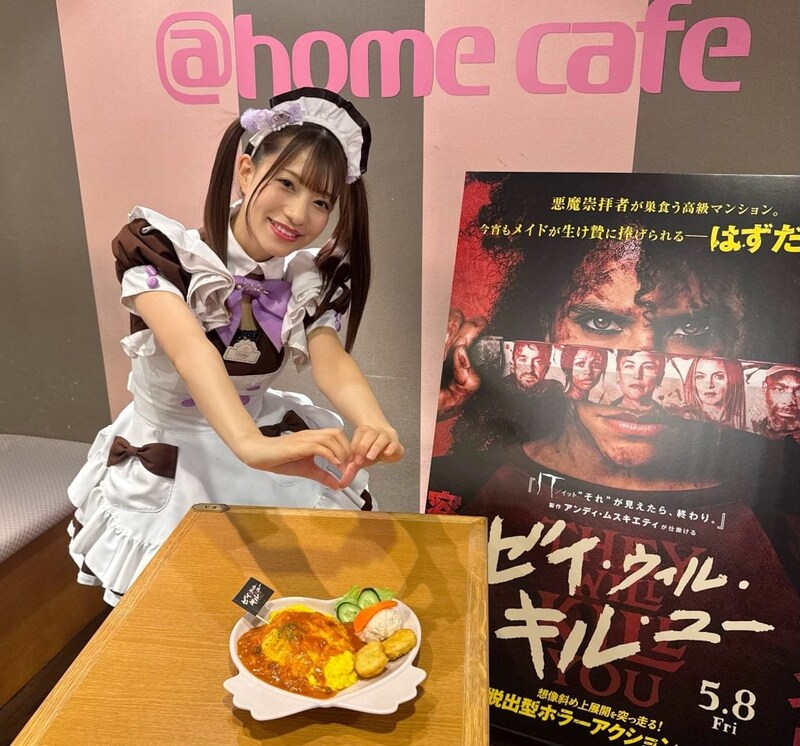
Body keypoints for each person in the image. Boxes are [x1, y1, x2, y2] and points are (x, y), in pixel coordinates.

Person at [68, 88, 403, 606]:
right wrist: (250, 446)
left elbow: (329, 356)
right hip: (176, 456)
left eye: (321, 202)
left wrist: (373, 423)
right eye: (286, 183)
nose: (299, 213)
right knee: (186, 604)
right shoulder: (163, 254)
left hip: (259, 436)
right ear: (246, 171)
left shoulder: (306, 278)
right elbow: (191, 351)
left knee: (275, 596)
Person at [682, 356, 746, 429]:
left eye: (719, 377)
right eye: (700, 377)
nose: (709, 385)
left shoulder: (744, 426)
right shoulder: (682, 419)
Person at [752, 366, 800, 439]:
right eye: (779, 390)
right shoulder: (754, 428)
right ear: (764, 388)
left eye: (799, 392)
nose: (789, 402)